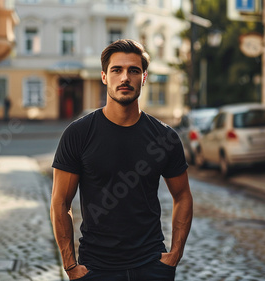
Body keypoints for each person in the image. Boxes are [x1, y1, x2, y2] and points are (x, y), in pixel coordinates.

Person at [50, 39, 193, 281]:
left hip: (151, 266)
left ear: (144, 78)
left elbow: (183, 196)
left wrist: (174, 255)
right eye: (117, 70)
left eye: (133, 70)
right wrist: (70, 265)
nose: (125, 77)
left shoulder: (164, 137)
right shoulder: (78, 134)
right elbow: (60, 202)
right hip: (96, 268)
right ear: (104, 77)